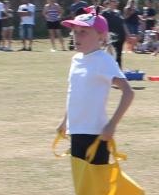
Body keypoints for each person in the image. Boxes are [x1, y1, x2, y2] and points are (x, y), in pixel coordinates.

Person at [55, 12, 134, 164]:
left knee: (97, 186)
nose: (77, 37)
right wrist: (65, 121)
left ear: (101, 36)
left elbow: (128, 93)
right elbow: (74, 93)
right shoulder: (76, 60)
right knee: (82, 186)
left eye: (83, 32)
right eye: (75, 32)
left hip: (96, 134)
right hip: (76, 132)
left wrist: (112, 125)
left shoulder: (104, 60)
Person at [101, 0, 126, 67]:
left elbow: (123, 24)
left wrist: (128, 34)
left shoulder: (119, 12)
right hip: (110, 38)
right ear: (109, 2)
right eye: (114, 1)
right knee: (110, 55)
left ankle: (119, 73)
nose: (116, 3)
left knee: (119, 56)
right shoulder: (104, 13)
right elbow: (102, 26)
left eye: (117, 1)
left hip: (121, 36)